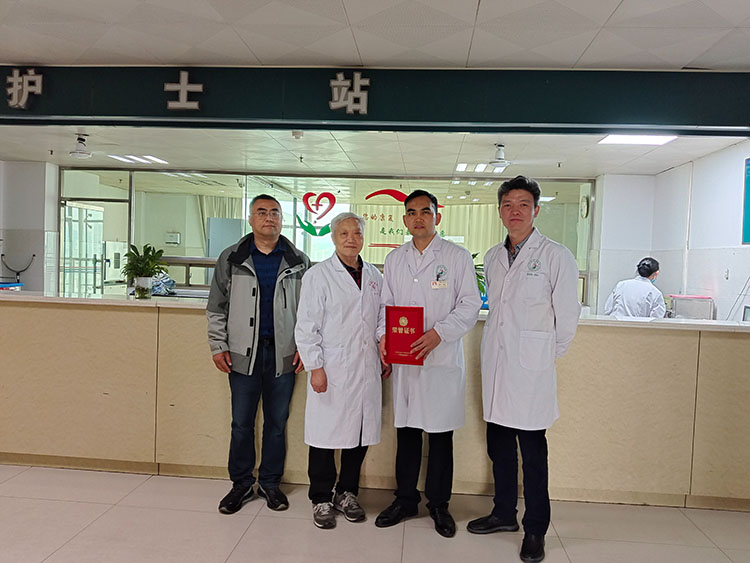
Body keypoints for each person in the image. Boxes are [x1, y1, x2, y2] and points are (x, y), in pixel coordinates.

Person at [468, 176, 580, 563]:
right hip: (497, 366)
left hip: (532, 371)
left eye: (523, 204)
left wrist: (543, 354)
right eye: (507, 205)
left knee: (532, 454)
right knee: (498, 447)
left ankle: (535, 529)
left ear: (536, 210)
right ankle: (503, 513)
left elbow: (567, 317)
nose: (514, 211)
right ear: (499, 211)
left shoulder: (555, 255)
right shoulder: (493, 257)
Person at [374, 190, 482, 538]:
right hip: (406, 363)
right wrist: (383, 336)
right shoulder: (394, 259)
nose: (418, 218)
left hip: (440, 360)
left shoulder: (456, 257)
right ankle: (405, 500)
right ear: (404, 219)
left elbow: (469, 304)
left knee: (440, 437)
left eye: (425, 211)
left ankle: (439, 504)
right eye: (411, 212)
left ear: (437, 216)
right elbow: (386, 305)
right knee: (406, 434)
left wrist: (439, 333)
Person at [207, 194, 310, 515]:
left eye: (275, 213)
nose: (269, 218)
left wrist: (305, 348)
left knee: (277, 423)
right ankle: (240, 484)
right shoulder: (232, 257)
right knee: (241, 423)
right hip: (242, 355)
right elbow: (216, 306)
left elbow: (310, 312)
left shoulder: (298, 260)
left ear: (282, 220)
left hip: (283, 355)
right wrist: (218, 345)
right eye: (262, 212)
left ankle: (269, 483)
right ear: (251, 219)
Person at [295, 212, 386, 529]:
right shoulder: (318, 276)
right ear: (333, 238)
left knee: (358, 434)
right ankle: (320, 497)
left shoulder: (374, 276)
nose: (351, 238)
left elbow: (381, 318)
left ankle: (346, 493)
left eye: (357, 233)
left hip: (366, 366)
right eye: (344, 233)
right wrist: (315, 367)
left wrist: (384, 344)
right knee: (324, 435)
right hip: (331, 368)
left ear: (363, 237)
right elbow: (306, 326)